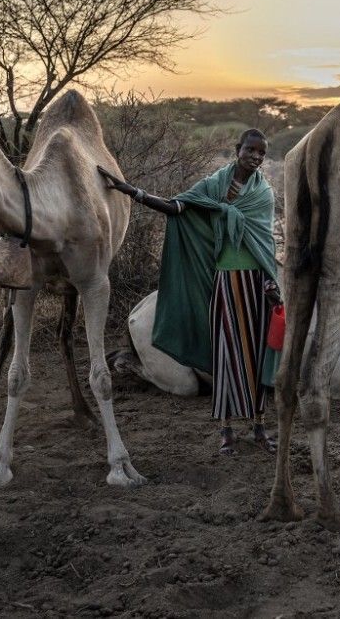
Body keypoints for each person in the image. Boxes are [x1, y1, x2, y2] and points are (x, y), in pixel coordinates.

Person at [103, 129, 281, 455]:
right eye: (251, 150)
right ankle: (226, 431)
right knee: (225, 357)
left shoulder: (263, 194)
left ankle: (258, 427)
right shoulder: (214, 186)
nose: (256, 157)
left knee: (256, 359)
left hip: (257, 284)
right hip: (225, 284)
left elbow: (264, 244)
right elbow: (177, 208)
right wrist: (133, 192)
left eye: (262, 153)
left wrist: (272, 282)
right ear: (237, 149)